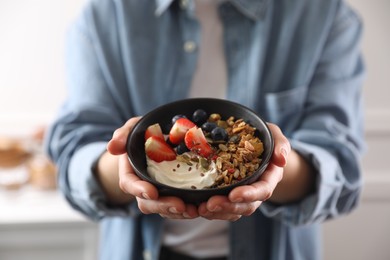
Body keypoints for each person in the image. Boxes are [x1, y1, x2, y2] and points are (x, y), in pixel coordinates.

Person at [45, 0, 365, 259]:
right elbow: (74, 154)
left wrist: (276, 164)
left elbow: (342, 172)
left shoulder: (324, 14)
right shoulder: (104, 17)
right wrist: (123, 163)